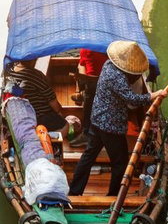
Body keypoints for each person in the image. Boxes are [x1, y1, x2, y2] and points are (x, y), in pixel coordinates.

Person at [68, 40, 159, 198]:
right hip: (111, 127)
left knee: (88, 156)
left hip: (97, 119)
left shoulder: (108, 65)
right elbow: (131, 99)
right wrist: (154, 95)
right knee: (120, 163)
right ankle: (113, 196)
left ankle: (74, 191)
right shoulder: (117, 77)